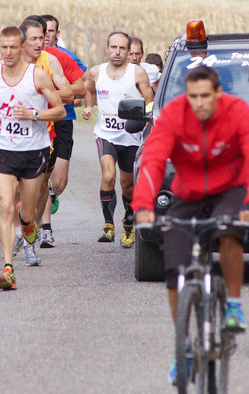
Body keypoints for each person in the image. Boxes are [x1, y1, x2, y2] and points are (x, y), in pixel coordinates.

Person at [132, 65, 249, 382]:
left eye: (205, 96)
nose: (199, 103)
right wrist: (142, 204)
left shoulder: (236, 112)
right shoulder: (174, 115)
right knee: (175, 268)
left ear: (218, 93)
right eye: (193, 96)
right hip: (188, 192)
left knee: (228, 235)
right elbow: (153, 159)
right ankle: (183, 347)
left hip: (230, 189)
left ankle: (233, 304)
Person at [0, 26, 66, 290]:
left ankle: (28, 226)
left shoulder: (37, 77)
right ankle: (7, 268)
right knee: (5, 206)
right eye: (4, 47)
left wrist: (34, 115)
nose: (8, 52)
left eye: (13, 47)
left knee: (27, 212)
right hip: (2, 150)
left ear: (23, 47)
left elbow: (59, 110)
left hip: (33, 151)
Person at [83, 31, 154, 247]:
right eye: (114, 47)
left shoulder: (137, 73)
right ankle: (108, 225)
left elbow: (150, 101)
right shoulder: (96, 72)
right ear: (107, 48)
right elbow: (89, 90)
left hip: (130, 137)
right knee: (108, 176)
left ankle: (128, 223)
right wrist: (88, 107)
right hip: (105, 134)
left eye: (122, 48)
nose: (118, 52)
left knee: (128, 186)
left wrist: (142, 117)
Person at [14, 16, 75, 263]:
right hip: (10, 138)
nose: (40, 43)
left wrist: (41, 95)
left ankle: (30, 232)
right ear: (22, 41)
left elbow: (69, 94)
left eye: (42, 37)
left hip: (41, 136)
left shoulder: (50, 62)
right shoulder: (7, 61)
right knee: (10, 198)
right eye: (34, 38)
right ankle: (9, 257)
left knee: (37, 191)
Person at [39, 13, 87, 247]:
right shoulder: (21, 58)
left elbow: (81, 86)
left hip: (63, 119)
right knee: (40, 178)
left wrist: (48, 97)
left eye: (49, 32)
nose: (44, 37)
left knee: (58, 181)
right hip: (37, 123)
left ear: (56, 34)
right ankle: (44, 228)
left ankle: (48, 193)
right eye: (41, 32)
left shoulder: (62, 57)